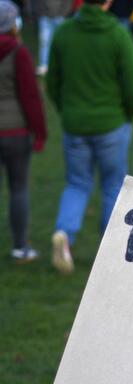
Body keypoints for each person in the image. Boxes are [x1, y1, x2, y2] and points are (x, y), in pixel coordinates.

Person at [46, 0, 133, 274]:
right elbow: (132, 85)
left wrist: (66, 110)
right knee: (113, 185)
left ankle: (64, 233)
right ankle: (108, 246)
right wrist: (128, 114)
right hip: (111, 124)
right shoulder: (116, 34)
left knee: (76, 183)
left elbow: (53, 80)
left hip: (76, 124)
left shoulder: (64, 33)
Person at [0, 0, 46, 262]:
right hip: (15, 132)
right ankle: (19, 245)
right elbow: (30, 96)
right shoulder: (19, 53)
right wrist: (39, 132)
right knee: (18, 189)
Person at [33, 0, 72, 76]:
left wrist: (63, 14)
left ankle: (61, 65)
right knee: (44, 42)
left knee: (61, 42)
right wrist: (42, 13)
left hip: (60, 17)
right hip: (45, 17)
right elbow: (38, 3)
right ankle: (44, 65)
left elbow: (68, 2)